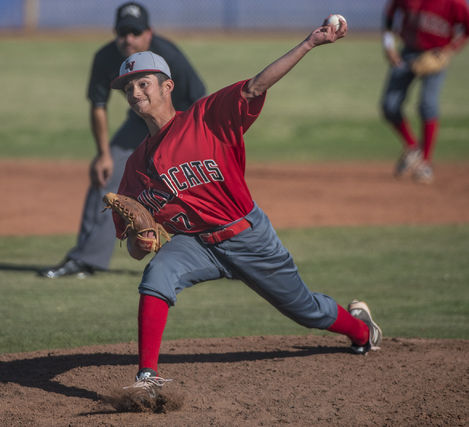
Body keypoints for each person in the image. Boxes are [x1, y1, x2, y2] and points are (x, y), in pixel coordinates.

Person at [107, 17, 382, 392]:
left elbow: (255, 87)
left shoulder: (207, 117)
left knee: (305, 310)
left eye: (143, 83)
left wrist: (309, 43)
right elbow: (136, 249)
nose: (136, 92)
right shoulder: (135, 166)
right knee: (156, 276)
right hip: (195, 245)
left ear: (167, 86)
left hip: (248, 236)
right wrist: (140, 245)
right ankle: (147, 377)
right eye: (128, 88)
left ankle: (363, 330)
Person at [39, 2, 206, 279]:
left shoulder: (170, 56)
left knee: (192, 180)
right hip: (140, 121)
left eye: (135, 32)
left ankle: (225, 252)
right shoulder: (106, 57)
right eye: (123, 32)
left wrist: (196, 142)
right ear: (114, 32)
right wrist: (103, 154)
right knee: (106, 174)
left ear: (149, 33)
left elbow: (200, 98)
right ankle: (86, 259)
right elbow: (98, 105)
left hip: (182, 120)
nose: (129, 39)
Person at [380, 0, 469, 184]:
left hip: (436, 55)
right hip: (407, 53)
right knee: (389, 106)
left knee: (427, 105)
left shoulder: (455, 3)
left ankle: (425, 163)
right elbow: (389, 15)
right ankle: (412, 146)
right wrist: (388, 45)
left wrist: (449, 51)